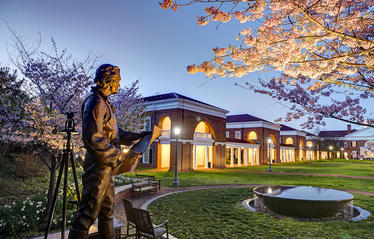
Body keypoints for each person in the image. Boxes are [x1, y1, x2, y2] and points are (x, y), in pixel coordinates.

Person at [69, 64, 146, 239]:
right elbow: (93, 138)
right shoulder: (95, 102)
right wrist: (120, 157)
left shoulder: (105, 103)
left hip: (106, 168)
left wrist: (138, 136)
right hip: (98, 167)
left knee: (107, 211)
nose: (119, 84)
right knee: (87, 214)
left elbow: (115, 135)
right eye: (117, 80)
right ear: (109, 81)